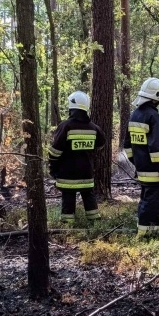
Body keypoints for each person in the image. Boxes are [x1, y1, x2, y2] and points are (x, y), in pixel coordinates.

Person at [47, 91, 106, 224]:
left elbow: (55, 151)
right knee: (89, 197)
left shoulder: (65, 126)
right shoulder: (94, 128)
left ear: (71, 107)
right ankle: (95, 223)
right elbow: (101, 144)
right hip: (87, 173)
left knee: (68, 198)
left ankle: (68, 227)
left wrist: (52, 167)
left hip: (68, 174)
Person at [123, 78, 159, 236]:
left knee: (145, 201)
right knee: (153, 203)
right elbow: (157, 148)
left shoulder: (134, 115)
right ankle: (148, 236)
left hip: (141, 169)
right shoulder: (154, 117)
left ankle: (143, 232)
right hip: (154, 172)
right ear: (157, 96)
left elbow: (127, 146)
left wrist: (138, 162)